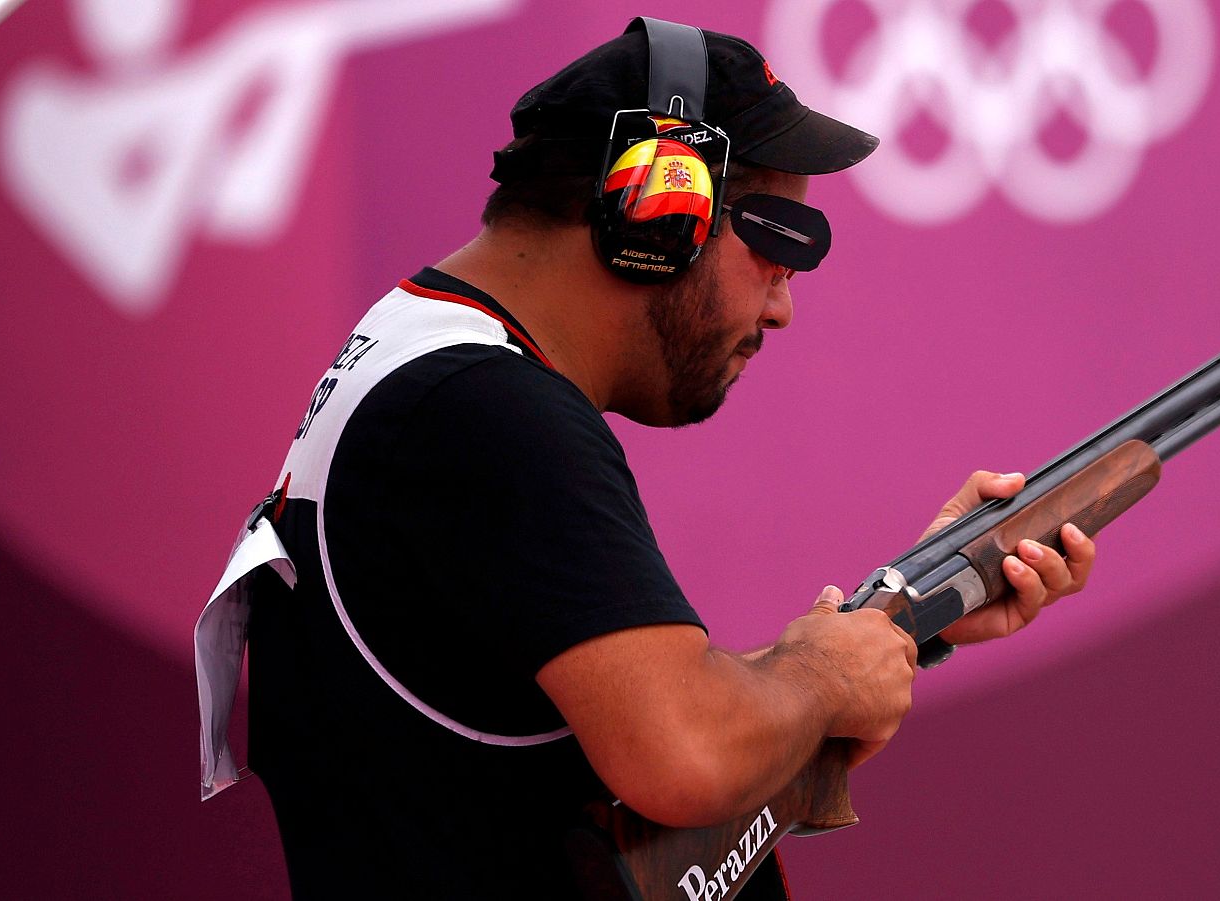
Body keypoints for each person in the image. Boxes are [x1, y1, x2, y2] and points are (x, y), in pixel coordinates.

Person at [242, 18, 1096, 899]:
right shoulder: (488, 410)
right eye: (778, 243)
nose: (782, 306)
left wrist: (912, 610)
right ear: (658, 208)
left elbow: (648, 724)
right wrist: (823, 677)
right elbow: (685, 754)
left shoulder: (428, 370)